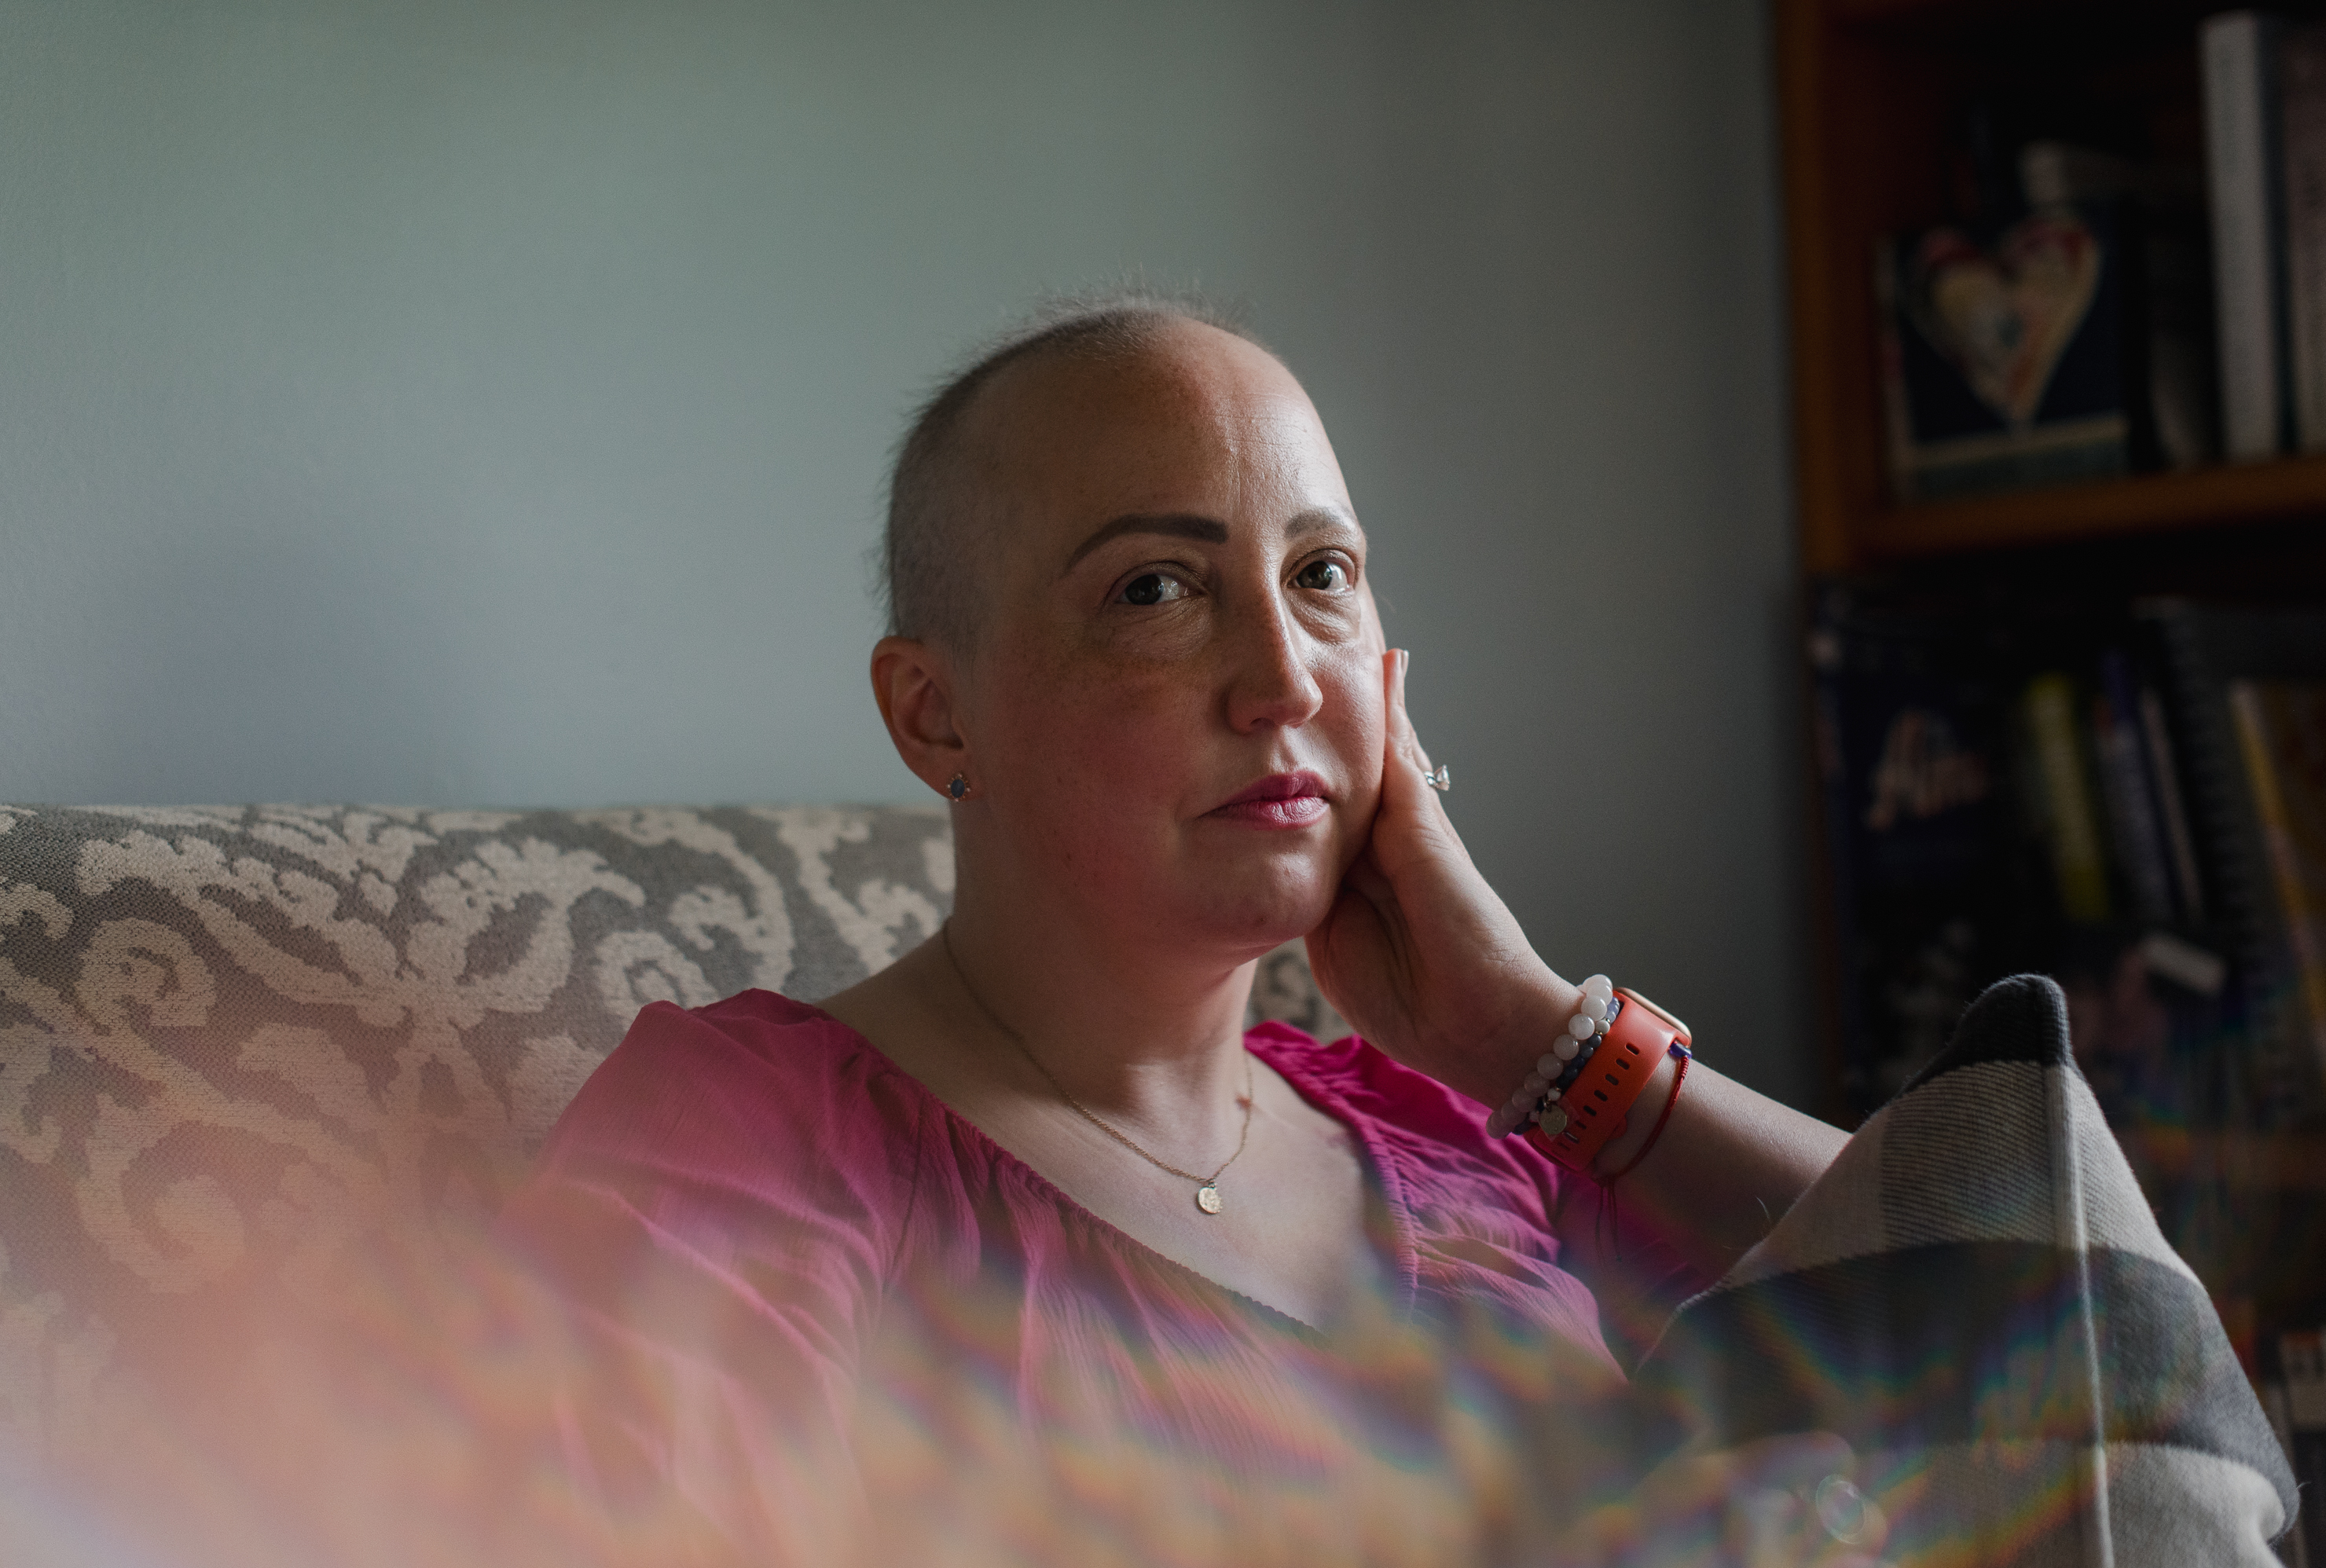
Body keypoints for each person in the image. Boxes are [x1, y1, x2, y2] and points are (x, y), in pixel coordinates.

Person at [497, 296, 1869, 1566]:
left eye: (1322, 574)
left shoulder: (1470, 1126)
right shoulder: (755, 1141)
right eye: (1156, 590)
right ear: (935, 713)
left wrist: (1534, 1031)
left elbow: (2054, 1330)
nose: (1283, 681)